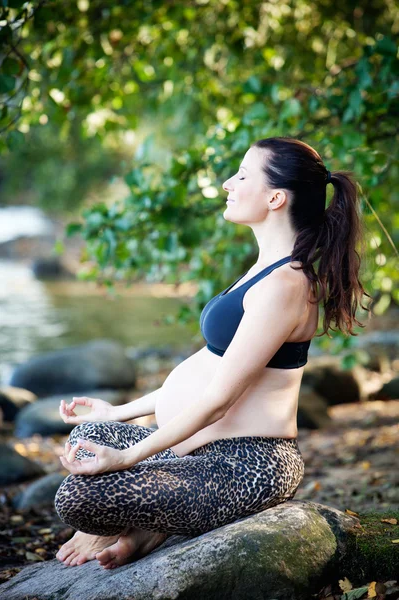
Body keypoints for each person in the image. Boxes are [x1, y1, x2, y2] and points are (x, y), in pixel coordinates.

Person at [54, 136, 372, 570]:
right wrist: (116, 413)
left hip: (245, 465)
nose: (228, 183)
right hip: (192, 453)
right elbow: (210, 369)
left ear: (276, 197)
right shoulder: (263, 269)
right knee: (88, 441)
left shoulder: (286, 284)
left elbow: (219, 399)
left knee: (78, 497)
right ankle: (153, 526)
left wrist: (128, 458)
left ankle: (150, 526)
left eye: (242, 175)